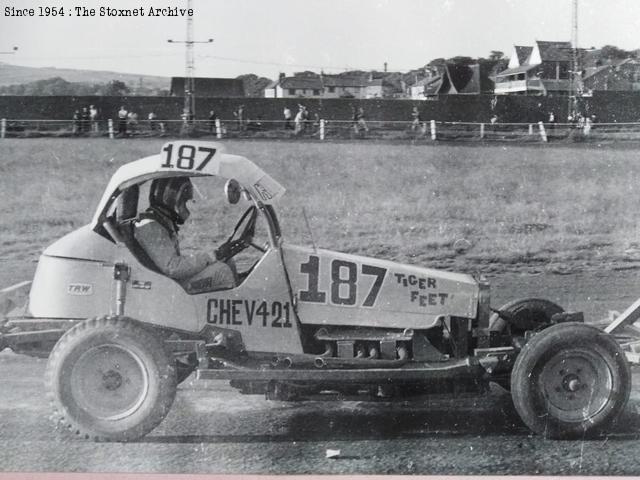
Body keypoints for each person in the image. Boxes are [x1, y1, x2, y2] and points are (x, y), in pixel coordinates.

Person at [134, 177, 236, 293]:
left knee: (228, 261)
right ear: (171, 199)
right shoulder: (151, 227)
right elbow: (173, 268)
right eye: (183, 202)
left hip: (168, 282)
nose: (185, 207)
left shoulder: (160, 221)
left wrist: (214, 256)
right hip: (168, 289)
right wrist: (212, 256)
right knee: (223, 271)